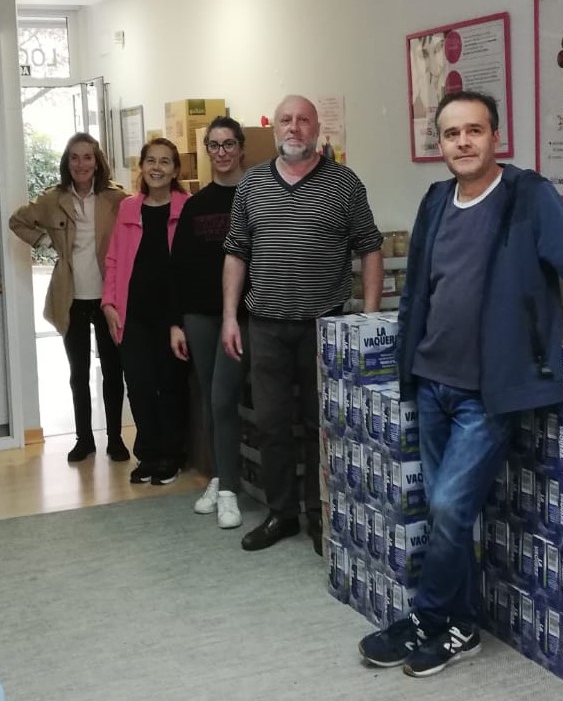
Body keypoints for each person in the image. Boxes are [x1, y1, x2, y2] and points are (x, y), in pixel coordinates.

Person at [358, 91, 563, 678]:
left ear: (496, 137)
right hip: (432, 381)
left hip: (487, 394)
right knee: (450, 517)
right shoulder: (436, 199)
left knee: (446, 506)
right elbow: (418, 289)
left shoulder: (528, 196)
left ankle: (431, 614)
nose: (462, 142)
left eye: (474, 131)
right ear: (439, 144)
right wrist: (406, 366)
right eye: (450, 134)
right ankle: (457, 624)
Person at [222, 94, 383, 555]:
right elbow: (236, 253)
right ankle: (282, 514)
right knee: (272, 425)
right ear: (275, 127)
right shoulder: (252, 186)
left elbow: (370, 247)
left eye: (303, 120)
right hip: (266, 326)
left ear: (317, 128)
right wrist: (231, 317)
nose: (294, 128)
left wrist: (367, 318)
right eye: (286, 120)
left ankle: (321, 514)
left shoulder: (343, 184)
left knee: (322, 426)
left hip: (324, 326)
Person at [9, 133, 130, 463]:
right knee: (77, 373)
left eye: (87, 157)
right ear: (67, 162)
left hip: (108, 298)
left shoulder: (115, 198)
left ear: (97, 161)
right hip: (71, 297)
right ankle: (84, 439)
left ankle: (116, 439)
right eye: (74, 157)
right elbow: (17, 220)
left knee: (113, 369)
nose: (81, 164)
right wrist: (44, 242)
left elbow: (136, 229)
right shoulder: (53, 199)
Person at [170, 117, 249, 528]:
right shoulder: (195, 206)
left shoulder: (256, 195)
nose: (221, 152)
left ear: (241, 147)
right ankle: (220, 477)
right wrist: (175, 322)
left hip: (241, 317)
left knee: (222, 397)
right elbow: (178, 267)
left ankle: (230, 488)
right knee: (208, 398)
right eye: (214, 146)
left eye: (228, 144)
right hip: (198, 315)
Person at [102, 138, 191, 485]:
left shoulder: (188, 208)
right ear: (142, 166)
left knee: (170, 386)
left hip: (172, 316)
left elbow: (194, 268)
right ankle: (148, 454)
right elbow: (112, 260)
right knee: (138, 387)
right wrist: (108, 303)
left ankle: (172, 455)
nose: (157, 168)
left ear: (175, 170)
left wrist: (181, 320)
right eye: (151, 161)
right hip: (133, 314)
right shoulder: (128, 208)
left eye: (165, 162)